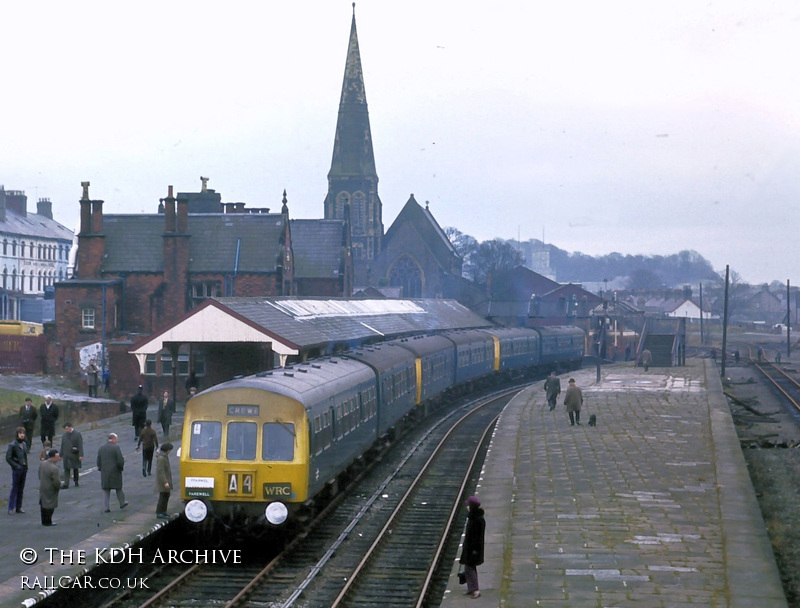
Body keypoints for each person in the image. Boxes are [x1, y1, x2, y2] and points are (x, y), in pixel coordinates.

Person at [459, 495, 485, 599]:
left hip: (474, 549)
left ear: (472, 506)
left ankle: (476, 590)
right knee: (468, 567)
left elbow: (476, 536)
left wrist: (473, 550)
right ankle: (471, 588)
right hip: (470, 548)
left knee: (470, 568)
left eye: (468, 505)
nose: (467, 507)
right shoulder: (473, 517)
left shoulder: (477, 519)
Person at [97, 433, 128, 512]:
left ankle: (106, 507)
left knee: (106, 490)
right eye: (116, 439)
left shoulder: (102, 448)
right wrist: (120, 468)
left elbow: (98, 460)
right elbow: (120, 460)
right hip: (115, 471)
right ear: (113, 439)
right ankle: (122, 503)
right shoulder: (116, 448)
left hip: (105, 472)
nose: (117, 441)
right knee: (118, 488)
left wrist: (101, 468)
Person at [6, 427, 29, 515]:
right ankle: (11, 507)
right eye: (20, 433)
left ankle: (18, 507)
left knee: (21, 489)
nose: (22, 434)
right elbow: (8, 458)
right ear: (17, 434)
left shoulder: (24, 444)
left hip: (24, 468)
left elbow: (24, 456)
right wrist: (16, 466)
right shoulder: (13, 445)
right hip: (17, 469)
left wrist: (26, 466)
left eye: (23, 433)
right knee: (14, 488)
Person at [39, 448, 62, 526]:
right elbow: (56, 481)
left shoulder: (42, 464)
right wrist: (58, 487)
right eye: (58, 456)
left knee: (43, 504)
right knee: (50, 505)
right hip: (51, 489)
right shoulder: (54, 468)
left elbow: (39, 474)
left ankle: (44, 521)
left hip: (43, 487)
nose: (59, 458)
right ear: (53, 457)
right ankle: (48, 521)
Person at [59, 422, 83, 488]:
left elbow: (80, 445)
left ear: (70, 427)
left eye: (67, 428)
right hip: (66, 455)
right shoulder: (64, 435)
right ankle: (66, 484)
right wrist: (60, 455)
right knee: (66, 469)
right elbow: (62, 445)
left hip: (74, 454)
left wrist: (81, 455)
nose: (66, 430)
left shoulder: (77, 434)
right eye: (65, 429)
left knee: (75, 468)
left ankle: (76, 481)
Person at [155, 442, 173, 518]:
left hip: (166, 480)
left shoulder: (164, 457)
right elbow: (161, 471)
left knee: (166, 495)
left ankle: (163, 511)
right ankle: (160, 512)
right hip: (163, 481)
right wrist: (165, 482)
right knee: (163, 496)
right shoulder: (161, 458)